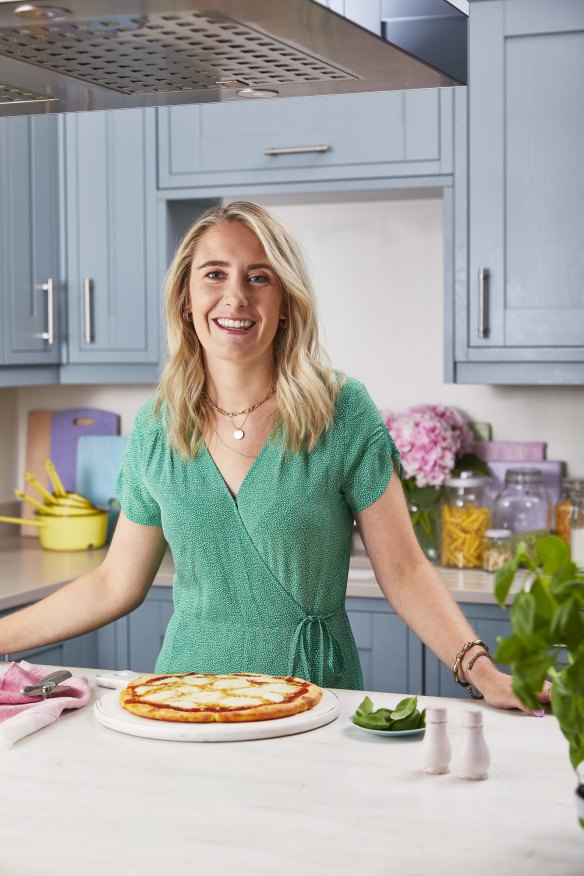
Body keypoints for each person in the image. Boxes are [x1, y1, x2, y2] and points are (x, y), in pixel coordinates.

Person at [0, 201, 549, 713]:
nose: (235, 296)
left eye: (258, 277)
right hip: (182, 702)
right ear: (185, 300)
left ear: (285, 303)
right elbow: (113, 583)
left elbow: (403, 569)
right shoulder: (156, 425)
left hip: (312, 697)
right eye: (214, 273)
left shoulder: (341, 410)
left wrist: (482, 671)